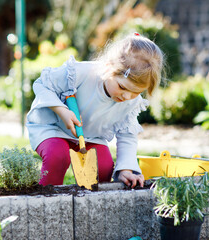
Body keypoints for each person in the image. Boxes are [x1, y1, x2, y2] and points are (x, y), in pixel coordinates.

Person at [26, 33, 164, 188]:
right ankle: (46, 201)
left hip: (90, 137)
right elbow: (42, 84)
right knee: (57, 156)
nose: (127, 96)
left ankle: (90, 205)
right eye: (122, 87)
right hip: (53, 129)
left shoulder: (130, 102)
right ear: (108, 67)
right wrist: (62, 111)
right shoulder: (81, 73)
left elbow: (127, 135)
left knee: (103, 167)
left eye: (136, 92)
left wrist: (126, 169)